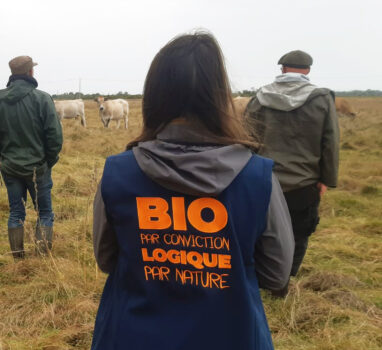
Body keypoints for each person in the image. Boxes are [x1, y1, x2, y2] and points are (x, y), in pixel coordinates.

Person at [91, 32, 294, 350]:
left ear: (154, 96)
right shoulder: (258, 177)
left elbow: (106, 259)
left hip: (132, 336)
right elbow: (277, 274)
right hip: (232, 335)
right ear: (219, 97)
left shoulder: (118, 173)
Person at [246, 50, 339, 277]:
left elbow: (247, 139)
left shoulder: (259, 98)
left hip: (262, 180)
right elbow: (330, 142)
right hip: (303, 184)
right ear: (307, 70)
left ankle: (259, 277)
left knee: (259, 231)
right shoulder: (322, 99)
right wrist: (326, 179)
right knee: (299, 233)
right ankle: (285, 280)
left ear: (283, 69)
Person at [0, 55, 63, 259]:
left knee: (16, 213)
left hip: (10, 168)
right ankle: (43, 258)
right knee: (45, 213)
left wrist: (2, 158)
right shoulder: (43, 99)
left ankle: (18, 259)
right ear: (30, 72)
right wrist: (48, 162)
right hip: (39, 168)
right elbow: (54, 137)